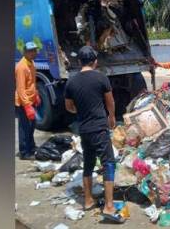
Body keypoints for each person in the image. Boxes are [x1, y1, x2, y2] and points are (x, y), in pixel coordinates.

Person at [64, 46, 125, 224]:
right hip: (99, 128)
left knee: (89, 164)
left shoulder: (71, 82)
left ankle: (88, 201)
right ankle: (109, 206)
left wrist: (81, 112)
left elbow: (69, 107)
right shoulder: (101, 78)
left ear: (79, 61)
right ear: (95, 61)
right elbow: (110, 101)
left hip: (84, 129)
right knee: (108, 163)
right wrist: (111, 117)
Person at [15, 41, 40, 160]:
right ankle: (24, 152)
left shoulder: (31, 63)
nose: (33, 53)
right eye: (30, 51)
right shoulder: (21, 67)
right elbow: (20, 89)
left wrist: (36, 95)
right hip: (23, 102)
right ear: (24, 52)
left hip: (31, 99)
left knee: (32, 125)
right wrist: (27, 106)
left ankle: (31, 146)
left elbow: (32, 82)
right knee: (24, 127)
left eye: (34, 50)